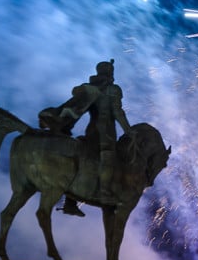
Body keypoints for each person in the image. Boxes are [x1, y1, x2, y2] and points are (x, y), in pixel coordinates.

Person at [40, 59, 132, 211]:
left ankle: (71, 202)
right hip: (106, 133)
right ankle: (104, 192)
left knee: (83, 157)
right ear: (110, 73)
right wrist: (128, 130)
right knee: (109, 157)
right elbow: (117, 112)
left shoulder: (91, 88)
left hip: (91, 130)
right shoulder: (113, 89)